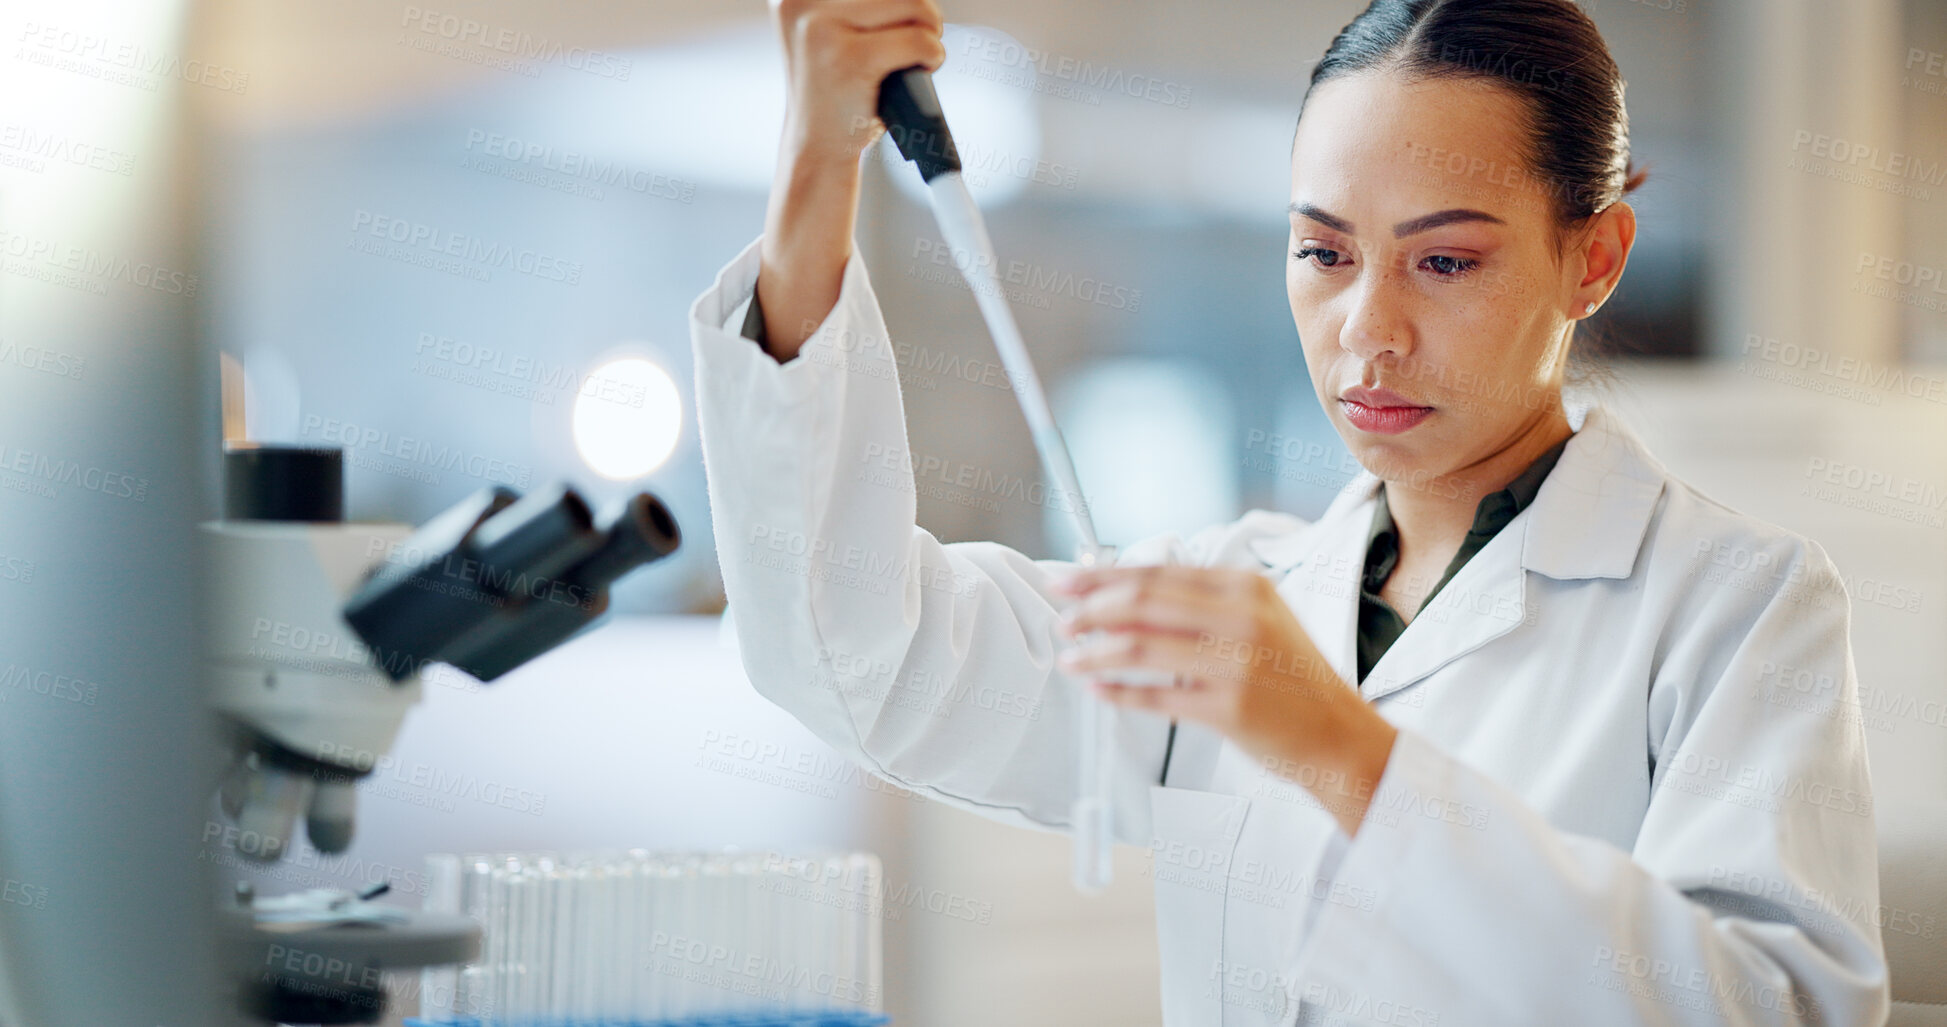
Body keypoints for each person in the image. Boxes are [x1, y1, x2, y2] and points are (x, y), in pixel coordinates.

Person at [686, 0, 1892, 1021]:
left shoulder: (1736, 607)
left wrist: (1339, 748)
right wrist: (817, 164)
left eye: (1447, 261)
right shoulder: (1235, 596)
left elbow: (1774, 1003)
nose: (1369, 329)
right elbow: (853, 651)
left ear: (1595, 257)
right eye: (1324, 253)